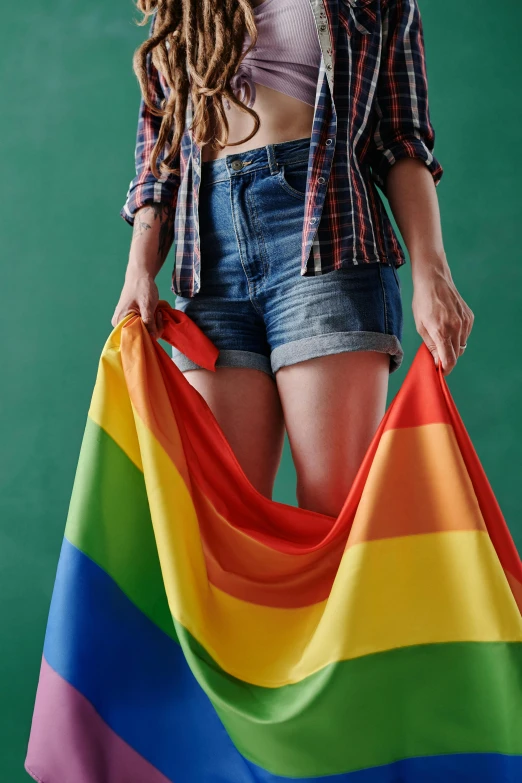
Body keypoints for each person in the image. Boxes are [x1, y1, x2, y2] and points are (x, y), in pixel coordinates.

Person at [112, 0, 474, 517]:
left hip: (326, 239)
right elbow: (160, 160)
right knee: (222, 525)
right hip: (206, 264)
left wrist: (431, 272)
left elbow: (400, 141)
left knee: (334, 515)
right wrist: (139, 270)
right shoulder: (185, 7)